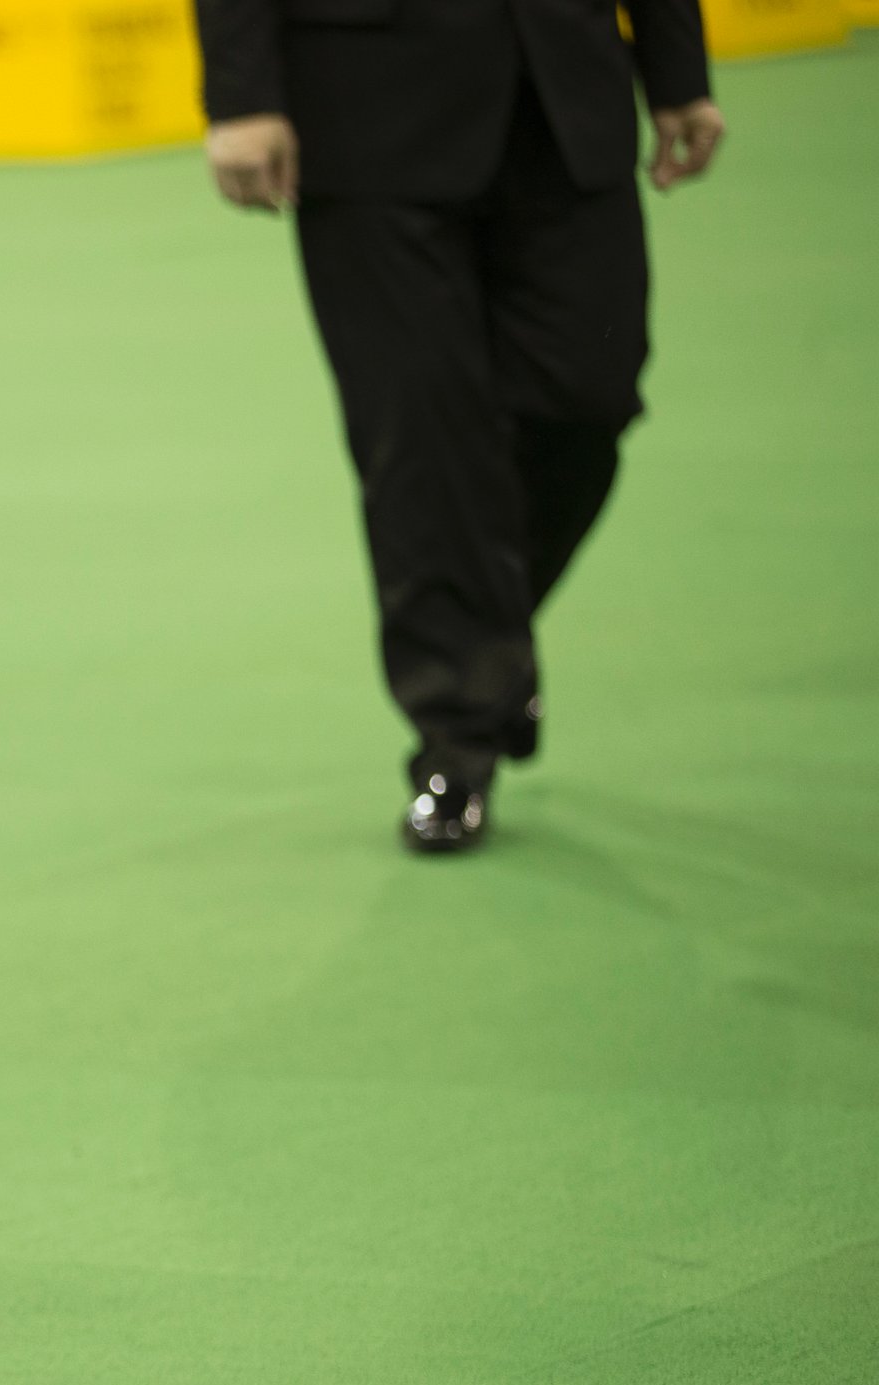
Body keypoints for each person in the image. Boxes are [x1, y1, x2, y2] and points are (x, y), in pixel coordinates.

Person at [194, 0, 724, 852]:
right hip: (367, 102)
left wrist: (677, 70)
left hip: (563, 90)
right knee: (420, 435)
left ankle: (484, 640)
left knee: (588, 394)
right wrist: (240, 93)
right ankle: (458, 730)